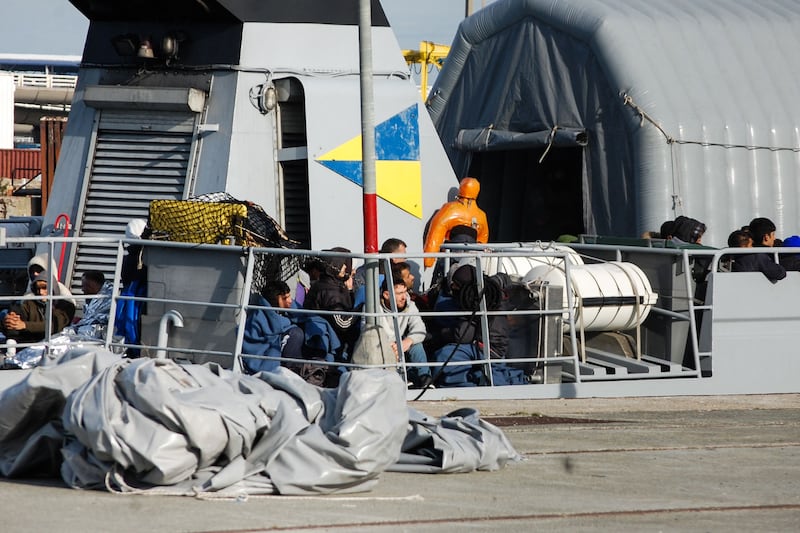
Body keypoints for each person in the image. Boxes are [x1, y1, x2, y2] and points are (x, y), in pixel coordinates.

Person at [374, 275, 433, 389]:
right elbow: (369, 334)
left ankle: (425, 378)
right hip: (381, 347)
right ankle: (398, 379)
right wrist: (388, 346)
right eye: (399, 293)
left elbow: (420, 329)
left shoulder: (410, 305)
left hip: (399, 344)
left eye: (405, 292)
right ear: (386, 295)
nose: (404, 297)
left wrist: (408, 341)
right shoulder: (373, 308)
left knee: (416, 345)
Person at [303, 247, 359, 363]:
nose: (346, 268)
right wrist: (362, 308)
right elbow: (342, 323)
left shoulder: (327, 283)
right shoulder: (330, 291)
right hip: (331, 348)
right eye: (343, 264)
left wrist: (349, 292)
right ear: (335, 266)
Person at [423, 177, 489, 268]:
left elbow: (436, 233)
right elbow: (482, 242)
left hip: (449, 259)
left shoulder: (450, 209)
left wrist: (428, 260)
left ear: (461, 189)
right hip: (470, 263)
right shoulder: (481, 216)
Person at [242, 280, 305, 374]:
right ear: (274, 300)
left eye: (289, 296)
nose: (289, 301)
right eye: (284, 298)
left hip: (279, 350)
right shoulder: (259, 317)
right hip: (262, 358)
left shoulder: (283, 311)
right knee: (296, 334)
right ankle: (293, 370)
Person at [2, 274, 76, 344]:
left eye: (44, 288)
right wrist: (9, 320)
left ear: (53, 288)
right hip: (31, 344)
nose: (40, 292)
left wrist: (25, 325)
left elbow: (55, 326)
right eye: (37, 288)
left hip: (57, 344)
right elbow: (19, 313)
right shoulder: (30, 304)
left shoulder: (66, 306)